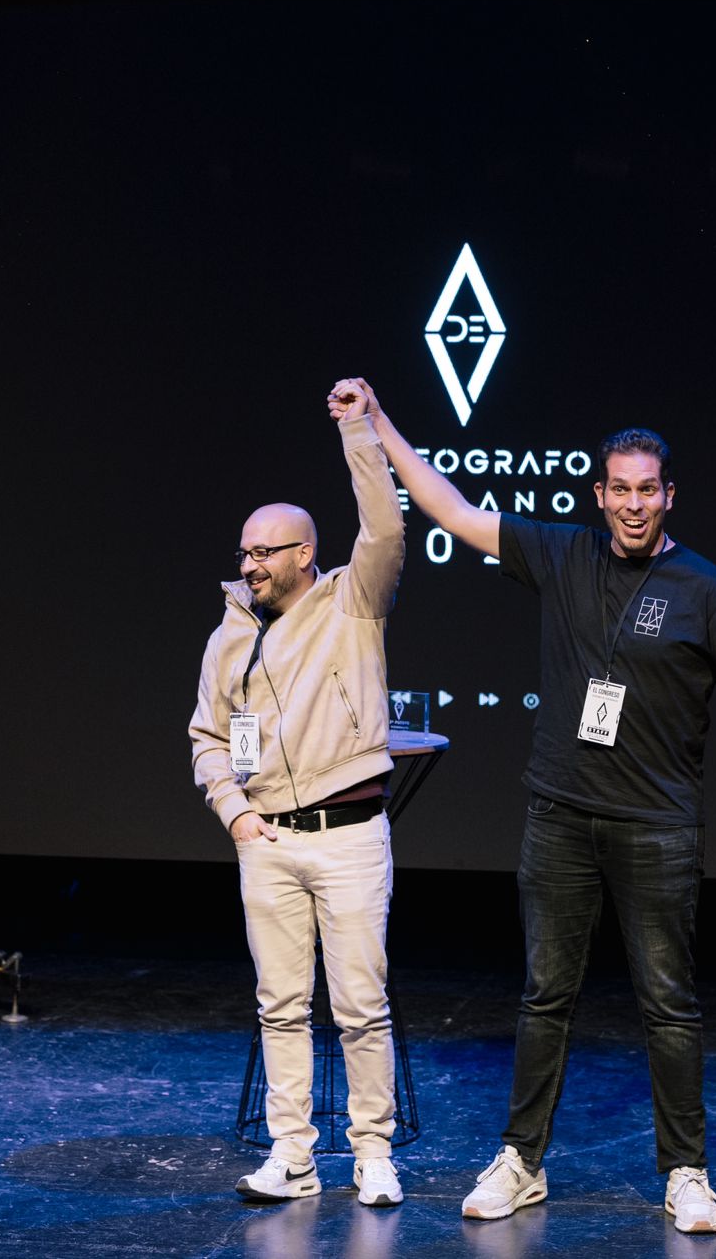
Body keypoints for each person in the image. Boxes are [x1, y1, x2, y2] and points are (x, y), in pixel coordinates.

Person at [326, 376, 716, 1236]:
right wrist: (377, 421)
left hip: (657, 827)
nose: (632, 504)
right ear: (599, 495)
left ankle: (686, 1172)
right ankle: (523, 1160)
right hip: (559, 816)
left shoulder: (708, 590)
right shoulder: (562, 552)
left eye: (646, 490)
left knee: (669, 1002)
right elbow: (450, 508)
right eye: (617, 489)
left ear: (669, 496)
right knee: (546, 994)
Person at [187, 390, 406, 1207]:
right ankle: (293, 1157)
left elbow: (385, 527)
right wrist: (235, 814)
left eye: (266, 551)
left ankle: (374, 1154)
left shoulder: (354, 599)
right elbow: (210, 736)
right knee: (280, 1008)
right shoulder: (229, 635)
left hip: (348, 834)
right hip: (268, 842)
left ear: (306, 552)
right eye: (244, 551)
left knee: (360, 1005)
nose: (249, 564)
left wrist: (358, 428)